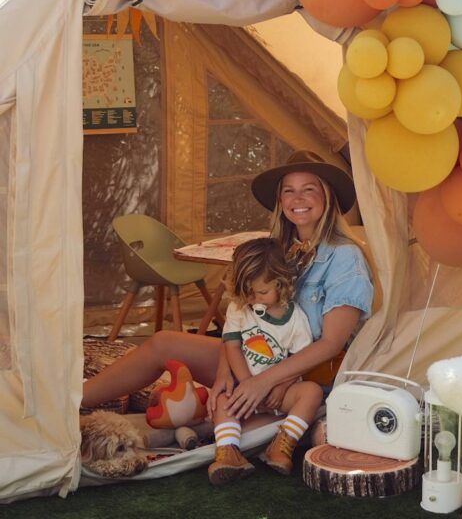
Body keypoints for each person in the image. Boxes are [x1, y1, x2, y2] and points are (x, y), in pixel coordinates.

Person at [81, 149, 374, 475]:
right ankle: (70, 404)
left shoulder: (345, 257)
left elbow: (331, 344)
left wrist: (260, 382)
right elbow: (241, 319)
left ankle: (262, 435)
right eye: (288, 190)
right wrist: (224, 372)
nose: (298, 198)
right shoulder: (279, 249)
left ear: (327, 197)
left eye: (309, 189)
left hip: (307, 377)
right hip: (257, 355)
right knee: (164, 342)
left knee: (240, 424)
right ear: (280, 200)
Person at [208, 236, 321, 484]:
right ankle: (228, 452)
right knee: (221, 399)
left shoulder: (296, 319)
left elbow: (299, 359)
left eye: (261, 292)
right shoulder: (239, 308)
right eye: (246, 293)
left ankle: (281, 445)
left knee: (312, 392)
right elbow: (232, 346)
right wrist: (248, 385)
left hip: (280, 392)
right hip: (245, 390)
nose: (253, 299)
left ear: (281, 284)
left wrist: (279, 387)